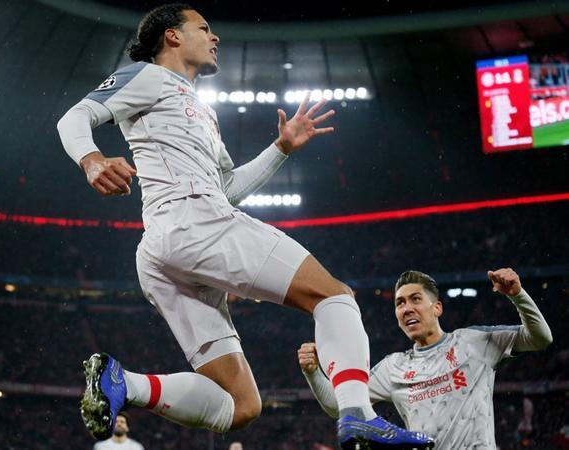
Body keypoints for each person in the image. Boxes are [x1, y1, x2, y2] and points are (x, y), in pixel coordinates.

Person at [56, 4, 434, 449]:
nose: (214, 38)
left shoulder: (200, 111)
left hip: (165, 248)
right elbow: (74, 117)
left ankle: (126, 383)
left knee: (241, 407)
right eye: (204, 28)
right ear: (172, 37)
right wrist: (92, 159)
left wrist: (281, 147)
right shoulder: (148, 75)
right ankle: (358, 415)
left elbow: (228, 187)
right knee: (334, 296)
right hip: (193, 221)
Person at [298, 268, 553, 449]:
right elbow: (338, 405)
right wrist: (313, 372)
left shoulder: (473, 342)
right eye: (399, 303)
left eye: (415, 299)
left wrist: (518, 295)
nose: (406, 308)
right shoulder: (393, 367)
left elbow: (540, 338)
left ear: (437, 307)